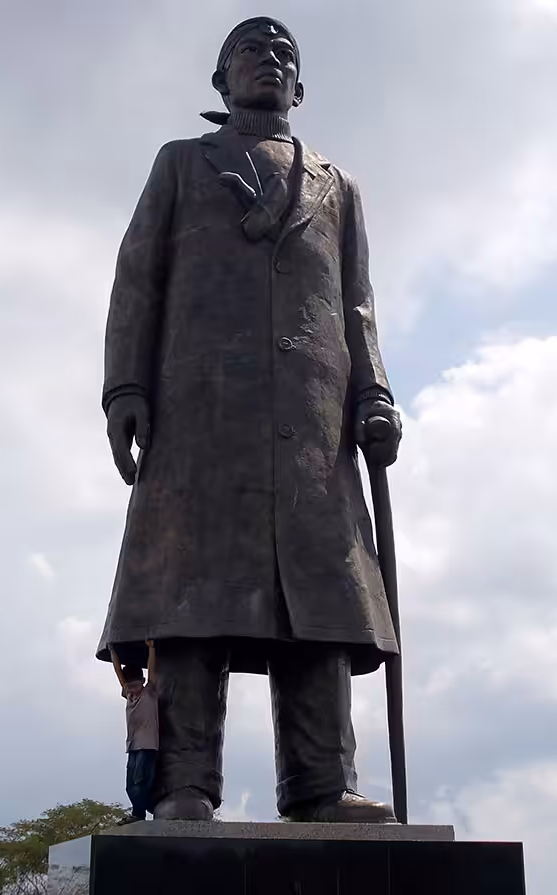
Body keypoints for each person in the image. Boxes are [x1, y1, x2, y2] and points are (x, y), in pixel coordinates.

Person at [96, 16, 403, 823]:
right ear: (220, 82)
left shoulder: (338, 185)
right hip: (199, 417)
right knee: (192, 600)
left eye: (284, 56)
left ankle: (320, 783)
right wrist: (124, 386)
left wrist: (373, 392)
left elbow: (357, 304)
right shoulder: (180, 165)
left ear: (299, 87)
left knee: (320, 602)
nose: (269, 62)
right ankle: (184, 783)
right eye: (249, 53)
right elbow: (137, 282)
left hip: (311, 424)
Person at [112, 640, 158, 822]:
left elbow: (151, 668)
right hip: (132, 745)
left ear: (143, 682)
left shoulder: (149, 693)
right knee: (129, 785)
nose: (131, 690)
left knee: (140, 781)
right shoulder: (128, 695)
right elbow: (118, 672)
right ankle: (141, 810)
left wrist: (151, 649)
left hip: (147, 745)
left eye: (135, 686)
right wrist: (113, 651)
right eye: (128, 686)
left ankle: (139, 814)